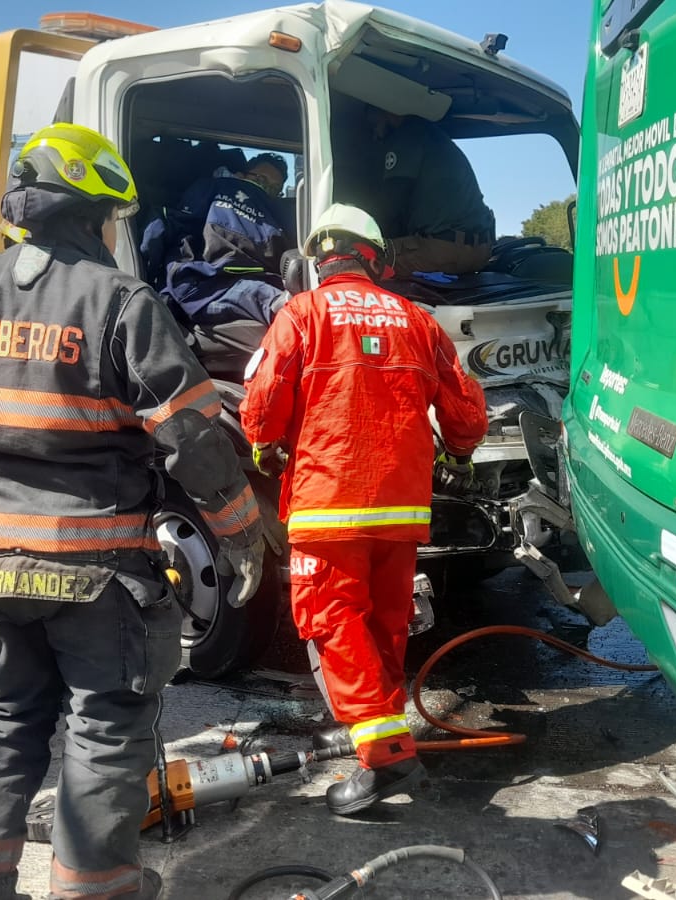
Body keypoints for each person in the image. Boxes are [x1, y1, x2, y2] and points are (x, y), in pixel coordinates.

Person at [0, 123, 265, 900]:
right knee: (105, 732)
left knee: (2, 717)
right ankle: (93, 891)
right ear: (95, 214)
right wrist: (241, 532)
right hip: (95, 569)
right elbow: (191, 433)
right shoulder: (119, 300)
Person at [240, 203, 488, 816]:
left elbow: (263, 404)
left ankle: (386, 758)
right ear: (377, 258)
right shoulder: (417, 319)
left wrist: (264, 444)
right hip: (401, 508)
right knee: (383, 625)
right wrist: (457, 453)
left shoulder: (302, 313)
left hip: (329, 502)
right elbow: (464, 411)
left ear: (319, 259)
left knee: (333, 621)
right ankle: (373, 727)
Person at [139, 152, 294, 326]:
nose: (265, 189)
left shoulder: (278, 213)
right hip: (209, 283)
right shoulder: (212, 188)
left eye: (274, 188)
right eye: (261, 180)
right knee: (289, 310)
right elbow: (173, 225)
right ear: (240, 175)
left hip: (263, 282)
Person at [371, 110, 496, 276]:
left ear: (386, 112)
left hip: (443, 250)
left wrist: (363, 234)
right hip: (480, 250)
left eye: (374, 123)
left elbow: (391, 204)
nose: (375, 133)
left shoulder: (407, 133)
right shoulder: (435, 136)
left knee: (362, 262)